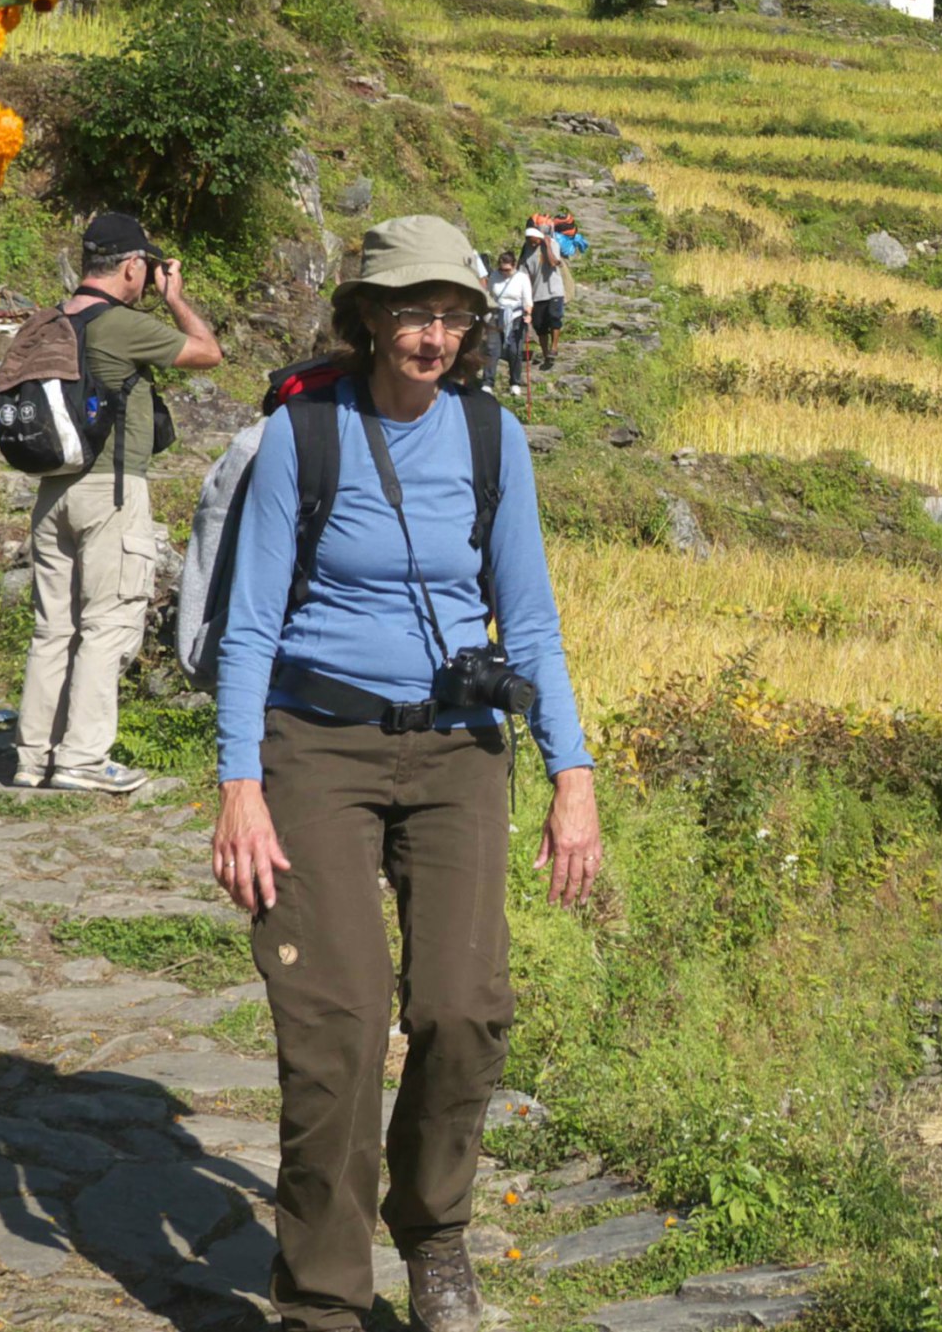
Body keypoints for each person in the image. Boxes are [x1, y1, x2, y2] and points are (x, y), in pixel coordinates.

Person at [209, 216, 601, 1332]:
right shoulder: (304, 436)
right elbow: (247, 628)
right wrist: (240, 785)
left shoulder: (493, 440)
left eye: (452, 313)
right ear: (369, 317)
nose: (433, 334)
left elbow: (529, 623)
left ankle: (433, 1234)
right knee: (334, 1019)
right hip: (316, 740)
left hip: (457, 746)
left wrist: (569, 773)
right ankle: (325, 1297)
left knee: (464, 1008)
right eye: (411, 311)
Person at [17, 212, 224, 793]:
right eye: (147, 266)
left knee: (53, 628)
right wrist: (176, 297)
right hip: (111, 489)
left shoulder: (49, 320)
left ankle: (35, 758)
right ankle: (82, 760)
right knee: (108, 624)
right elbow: (209, 352)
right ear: (133, 266)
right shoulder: (119, 326)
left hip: (52, 489)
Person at [520, 221, 569, 371]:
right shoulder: (526, 249)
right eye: (528, 240)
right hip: (537, 294)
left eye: (533, 240)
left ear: (538, 238)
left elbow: (554, 262)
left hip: (554, 290)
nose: (530, 242)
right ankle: (546, 353)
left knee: (555, 318)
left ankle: (554, 347)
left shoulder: (551, 244)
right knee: (540, 326)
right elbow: (522, 272)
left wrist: (546, 245)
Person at [488, 251, 534, 400]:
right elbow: (489, 295)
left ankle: (515, 382)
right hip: (498, 313)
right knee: (492, 348)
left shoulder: (522, 278)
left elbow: (527, 300)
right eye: (501, 269)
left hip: (516, 315)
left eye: (507, 269)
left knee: (515, 350)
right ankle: (488, 382)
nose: (504, 272)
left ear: (514, 266)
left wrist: (528, 313)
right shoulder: (494, 276)